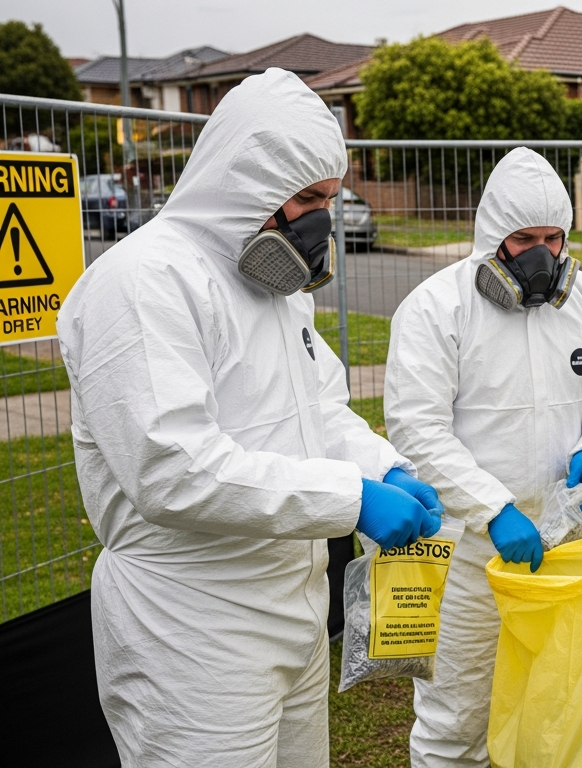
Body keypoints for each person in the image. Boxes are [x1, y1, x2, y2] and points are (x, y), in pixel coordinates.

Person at [56, 69, 443, 767]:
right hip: (191, 625)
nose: (321, 220)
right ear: (246, 183)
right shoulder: (145, 281)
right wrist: (352, 499)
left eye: (329, 199)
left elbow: (319, 410)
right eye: (307, 199)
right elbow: (172, 469)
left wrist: (384, 468)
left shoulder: (278, 289)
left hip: (293, 603)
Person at [383, 147, 582, 768]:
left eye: (553, 238)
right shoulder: (436, 308)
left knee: (559, 706)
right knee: (456, 718)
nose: (541, 256)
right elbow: (417, 428)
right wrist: (493, 509)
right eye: (524, 240)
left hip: (563, 538)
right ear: (492, 237)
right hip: (465, 551)